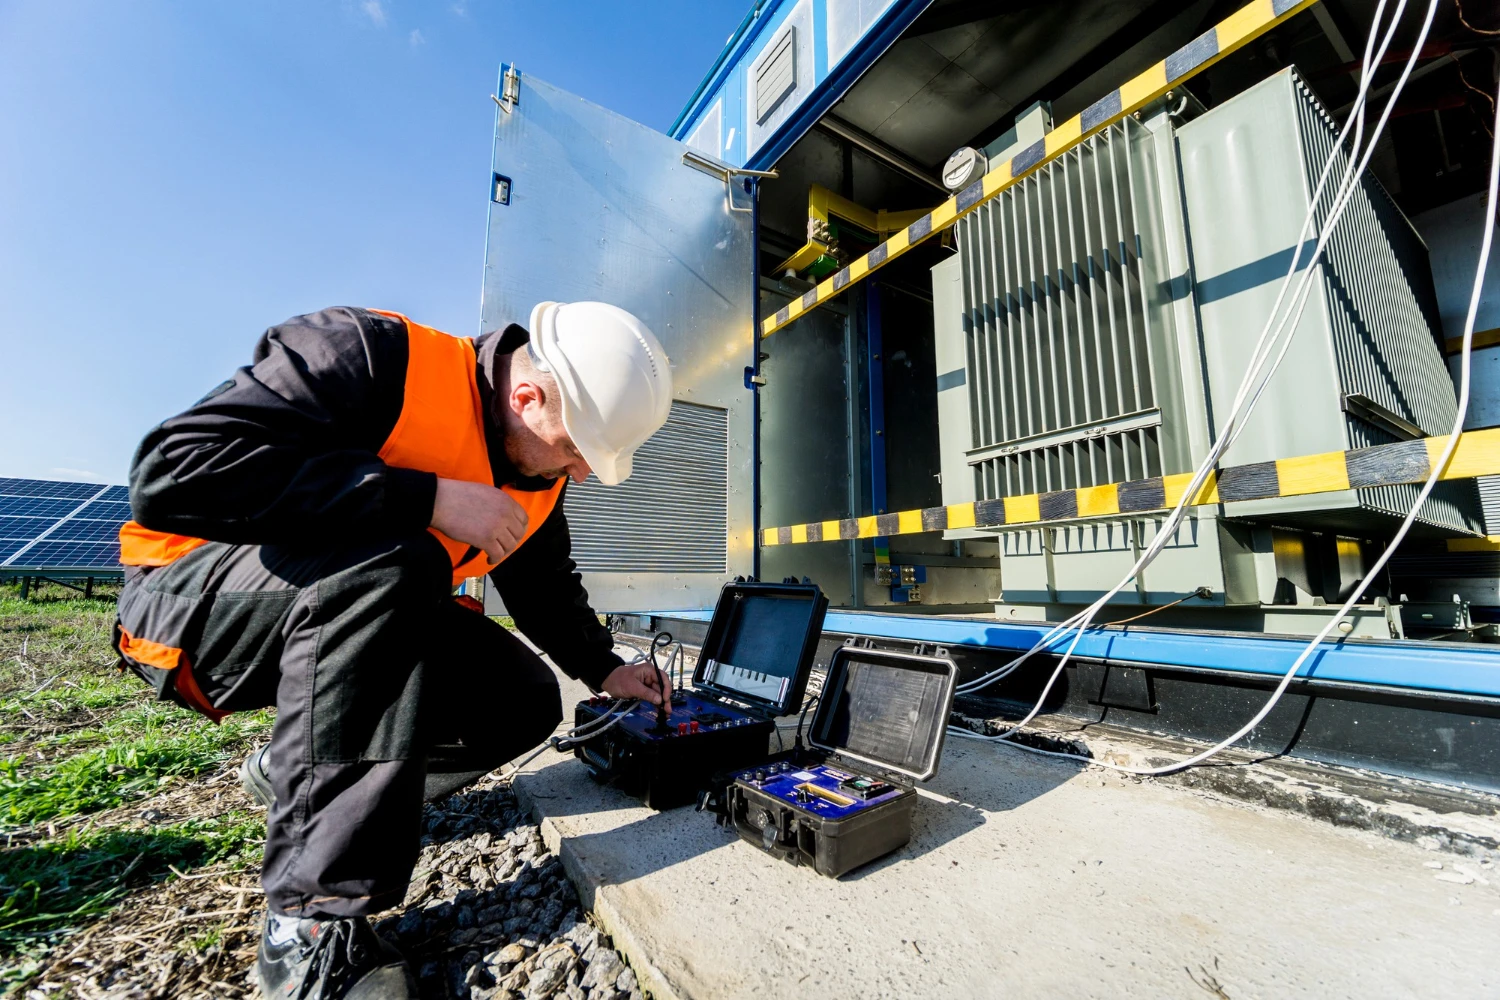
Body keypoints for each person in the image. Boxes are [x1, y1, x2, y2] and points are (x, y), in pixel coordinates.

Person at [112, 303, 676, 999]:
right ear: (526, 396)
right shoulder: (370, 354)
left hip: (345, 606)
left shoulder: (539, 471)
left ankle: (295, 777)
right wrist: (424, 498)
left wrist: (605, 668)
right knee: (397, 559)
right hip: (190, 604)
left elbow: (543, 587)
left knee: (522, 699)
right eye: (574, 450)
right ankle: (308, 925)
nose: (581, 475)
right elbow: (177, 472)